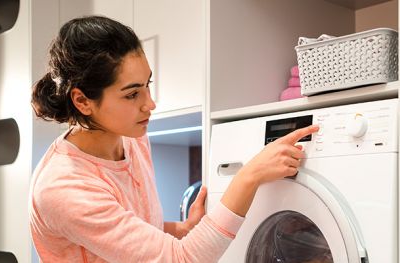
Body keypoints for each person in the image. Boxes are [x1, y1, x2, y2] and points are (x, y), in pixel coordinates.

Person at [28, 16, 318, 262]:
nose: (149, 104)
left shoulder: (131, 137)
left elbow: (126, 233)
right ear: (82, 101)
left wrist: (180, 229)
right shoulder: (63, 187)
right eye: (132, 94)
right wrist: (249, 176)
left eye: (147, 85)